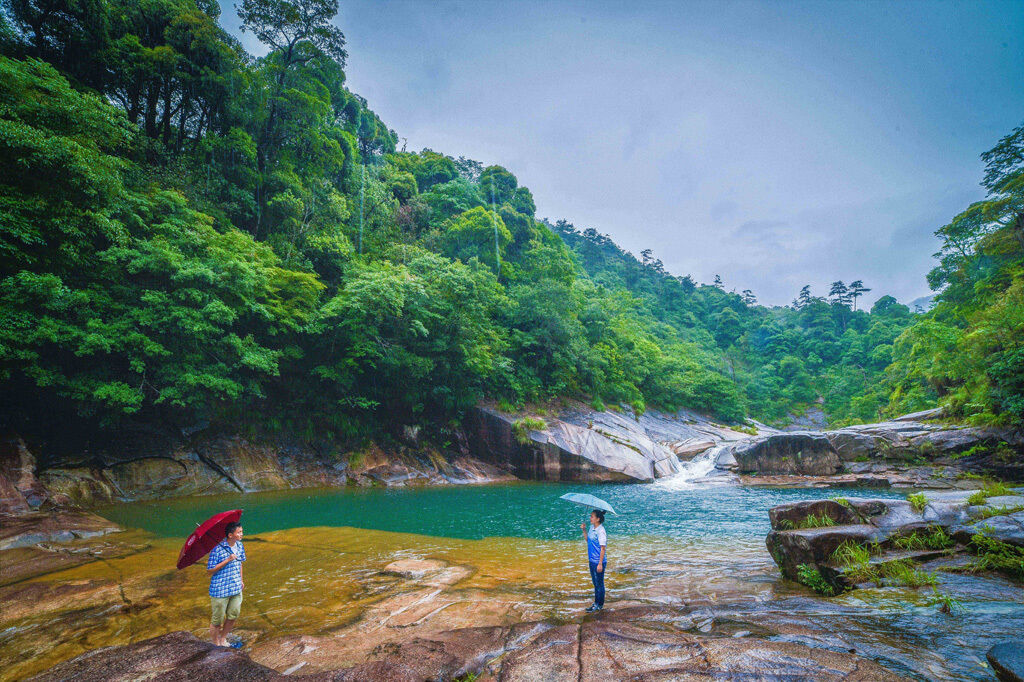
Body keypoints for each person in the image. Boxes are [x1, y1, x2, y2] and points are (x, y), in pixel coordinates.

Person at [207, 521, 245, 647]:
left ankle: (223, 639)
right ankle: (216, 644)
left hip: (235, 587)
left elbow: (240, 563)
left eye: (241, 531)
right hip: (220, 590)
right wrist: (227, 560)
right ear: (230, 535)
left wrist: (241, 580)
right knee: (217, 620)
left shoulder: (239, 546)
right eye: (239, 532)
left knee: (233, 614)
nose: (241, 534)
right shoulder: (217, 549)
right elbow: (209, 571)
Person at [580, 509, 607, 612]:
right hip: (591, 560)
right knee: (595, 583)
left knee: (599, 583)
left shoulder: (601, 531)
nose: (590, 518)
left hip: (599, 561)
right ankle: (596, 603)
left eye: (592, 516)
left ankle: (599, 605)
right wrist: (584, 530)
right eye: (590, 516)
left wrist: (600, 563)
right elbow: (588, 540)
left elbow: (603, 548)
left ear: (598, 519)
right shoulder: (592, 528)